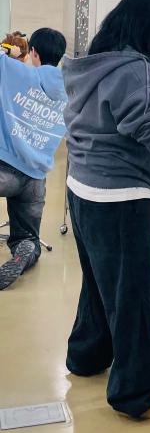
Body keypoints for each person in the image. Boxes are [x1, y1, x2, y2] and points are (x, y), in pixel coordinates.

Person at [62, 0, 150, 422]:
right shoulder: (137, 67)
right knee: (136, 294)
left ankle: (86, 355)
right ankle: (140, 392)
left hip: (83, 188)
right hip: (120, 197)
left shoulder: (96, 60)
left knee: (100, 285)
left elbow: (107, 116)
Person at [0, 27, 67, 290]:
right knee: (27, 237)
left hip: (5, 169)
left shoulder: (19, 73)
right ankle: (25, 248)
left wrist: (9, 51)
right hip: (35, 178)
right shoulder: (69, 89)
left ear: (34, 52)